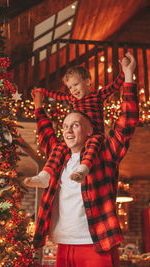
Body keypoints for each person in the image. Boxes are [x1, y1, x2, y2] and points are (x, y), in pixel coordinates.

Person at [25, 53, 139, 266]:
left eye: (75, 125)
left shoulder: (104, 153)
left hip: (96, 243)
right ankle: (43, 177)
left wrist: (128, 76)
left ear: (88, 130)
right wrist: (38, 106)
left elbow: (127, 120)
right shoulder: (59, 156)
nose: (68, 130)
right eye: (65, 126)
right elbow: (46, 132)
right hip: (62, 244)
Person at [24, 54, 133, 188]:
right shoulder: (72, 99)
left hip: (95, 136)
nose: (73, 90)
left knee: (92, 144)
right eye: (70, 87)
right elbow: (57, 95)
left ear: (87, 82)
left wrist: (125, 71)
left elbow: (115, 85)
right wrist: (43, 91)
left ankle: (82, 171)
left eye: (76, 84)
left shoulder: (97, 96)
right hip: (79, 137)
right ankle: (45, 176)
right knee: (60, 147)